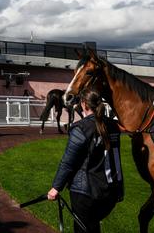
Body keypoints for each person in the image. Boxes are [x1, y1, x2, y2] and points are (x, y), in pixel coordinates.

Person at [47, 88, 123, 233]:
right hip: (110, 192)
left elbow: (68, 162)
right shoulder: (113, 126)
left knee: (84, 229)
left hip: (86, 194)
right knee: (93, 227)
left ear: (83, 104)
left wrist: (56, 188)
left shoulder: (80, 128)